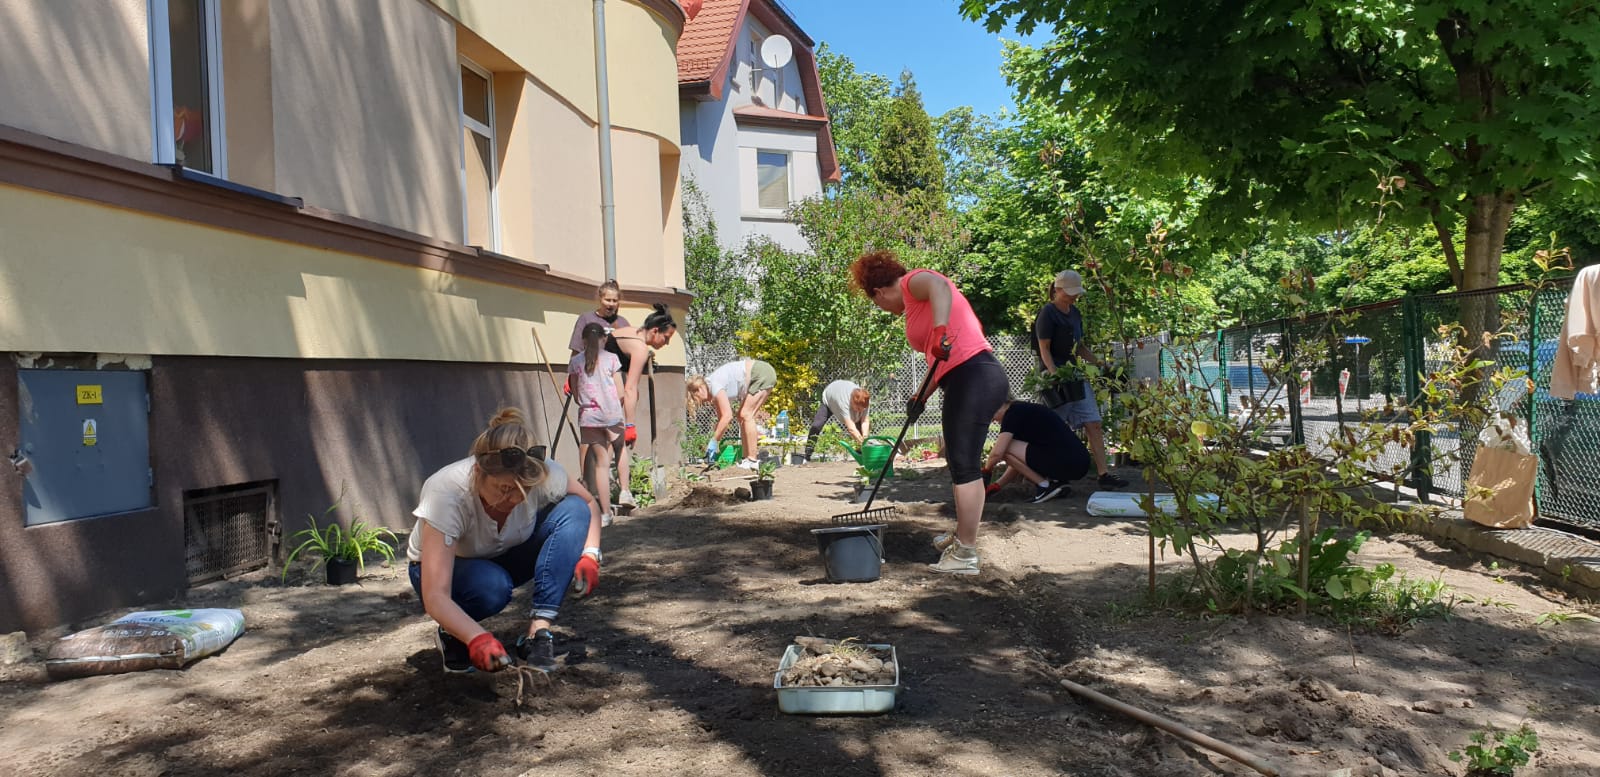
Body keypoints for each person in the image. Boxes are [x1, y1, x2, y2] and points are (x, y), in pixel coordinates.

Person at [406, 408, 604, 674]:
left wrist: (590, 553)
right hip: (451, 573)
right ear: (479, 471)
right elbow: (435, 595)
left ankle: (538, 633)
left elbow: (588, 503)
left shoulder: (542, 474)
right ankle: (455, 633)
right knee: (491, 587)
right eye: (505, 489)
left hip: (503, 554)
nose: (515, 499)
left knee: (574, 509)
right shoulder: (447, 493)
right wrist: (478, 639)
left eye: (525, 490)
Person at [851, 249, 1008, 575]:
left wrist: (939, 330)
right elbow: (939, 360)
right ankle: (963, 537)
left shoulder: (912, 283)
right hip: (964, 376)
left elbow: (939, 287)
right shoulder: (914, 309)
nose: (881, 308)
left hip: (975, 374)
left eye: (875, 302)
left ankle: (965, 553)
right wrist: (919, 397)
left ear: (878, 292)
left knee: (964, 465)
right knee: (959, 462)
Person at [1035, 269, 1128, 489]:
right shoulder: (1047, 313)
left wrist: (1100, 364)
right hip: (1054, 378)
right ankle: (1047, 475)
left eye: (1076, 292)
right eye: (1070, 292)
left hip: (1075, 375)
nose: (1074, 296)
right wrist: (1053, 374)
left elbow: (1079, 347)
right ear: (1058, 290)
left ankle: (1104, 475)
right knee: (1053, 426)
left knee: (1093, 423)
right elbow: (1044, 348)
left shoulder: (1075, 313)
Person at [602, 303, 678, 508]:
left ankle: (607, 486)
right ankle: (615, 490)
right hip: (605, 387)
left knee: (607, 438)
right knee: (615, 436)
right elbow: (630, 388)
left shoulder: (630, 332)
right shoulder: (640, 348)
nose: (667, 343)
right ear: (655, 331)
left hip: (597, 379)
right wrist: (631, 425)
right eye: (666, 337)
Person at [979, 399, 1091, 506]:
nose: (992, 421)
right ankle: (1058, 484)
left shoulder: (1012, 413)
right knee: (1006, 448)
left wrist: (986, 471)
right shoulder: (1022, 410)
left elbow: (997, 453)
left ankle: (1044, 486)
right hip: (1078, 463)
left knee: (1004, 447)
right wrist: (997, 485)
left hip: (1066, 460)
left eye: (990, 415)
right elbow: (1019, 461)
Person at [568, 323, 625, 528]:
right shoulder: (612, 359)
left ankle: (605, 513)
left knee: (600, 464)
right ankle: (624, 489)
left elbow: (575, 392)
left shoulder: (575, 362)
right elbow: (620, 391)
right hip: (611, 414)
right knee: (620, 450)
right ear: (603, 339)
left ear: (583, 341)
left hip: (589, 417)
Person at [687, 357, 778, 470]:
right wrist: (716, 440)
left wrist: (714, 441)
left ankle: (752, 459)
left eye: (699, 399)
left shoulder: (714, 386)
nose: (703, 402)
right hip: (762, 374)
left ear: (699, 389)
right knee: (742, 415)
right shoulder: (712, 389)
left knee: (746, 414)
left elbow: (727, 416)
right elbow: (722, 420)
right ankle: (747, 459)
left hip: (761, 373)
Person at [802, 380, 872, 461]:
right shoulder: (844, 402)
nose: (861, 411)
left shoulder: (865, 401)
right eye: (858, 409)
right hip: (829, 399)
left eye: (863, 409)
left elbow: (865, 421)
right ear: (852, 402)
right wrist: (863, 442)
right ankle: (807, 456)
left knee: (860, 429)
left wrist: (865, 438)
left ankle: (862, 456)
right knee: (816, 425)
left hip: (842, 394)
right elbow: (851, 429)